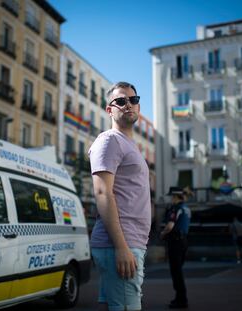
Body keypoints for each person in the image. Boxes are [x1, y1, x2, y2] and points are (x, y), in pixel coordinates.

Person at [88, 82, 151, 311]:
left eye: (133, 100)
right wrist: (121, 247)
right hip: (120, 244)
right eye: (121, 101)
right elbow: (102, 192)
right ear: (109, 109)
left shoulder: (128, 144)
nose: (129, 105)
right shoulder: (109, 140)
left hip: (128, 243)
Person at [160, 186, 191, 309]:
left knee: (176, 272)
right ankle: (179, 298)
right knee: (178, 271)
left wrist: (162, 234)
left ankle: (182, 300)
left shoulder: (176, 208)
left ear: (175, 196)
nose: (170, 199)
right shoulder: (186, 208)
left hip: (176, 242)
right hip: (183, 241)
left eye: (171, 196)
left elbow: (170, 226)